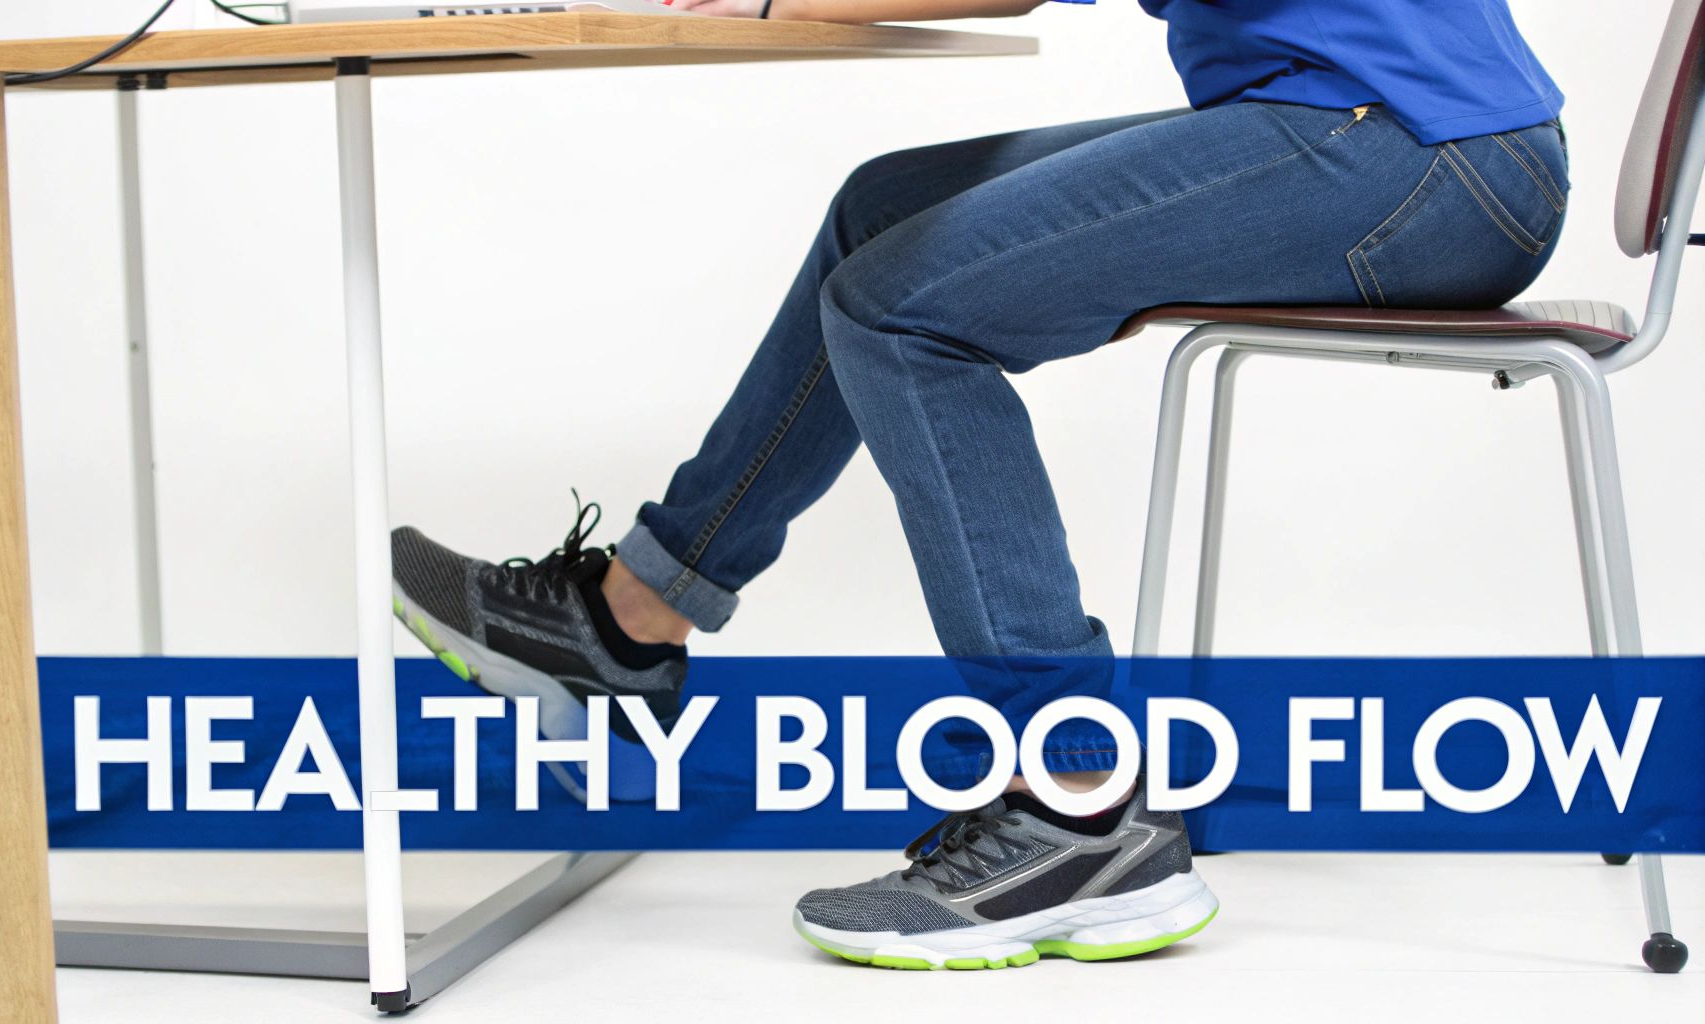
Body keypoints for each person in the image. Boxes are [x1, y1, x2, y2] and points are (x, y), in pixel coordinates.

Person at [388, 0, 1568, 970]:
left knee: (899, 311)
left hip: (1415, 159)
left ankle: (1072, 798)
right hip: (1390, 136)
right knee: (881, 216)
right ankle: (629, 619)